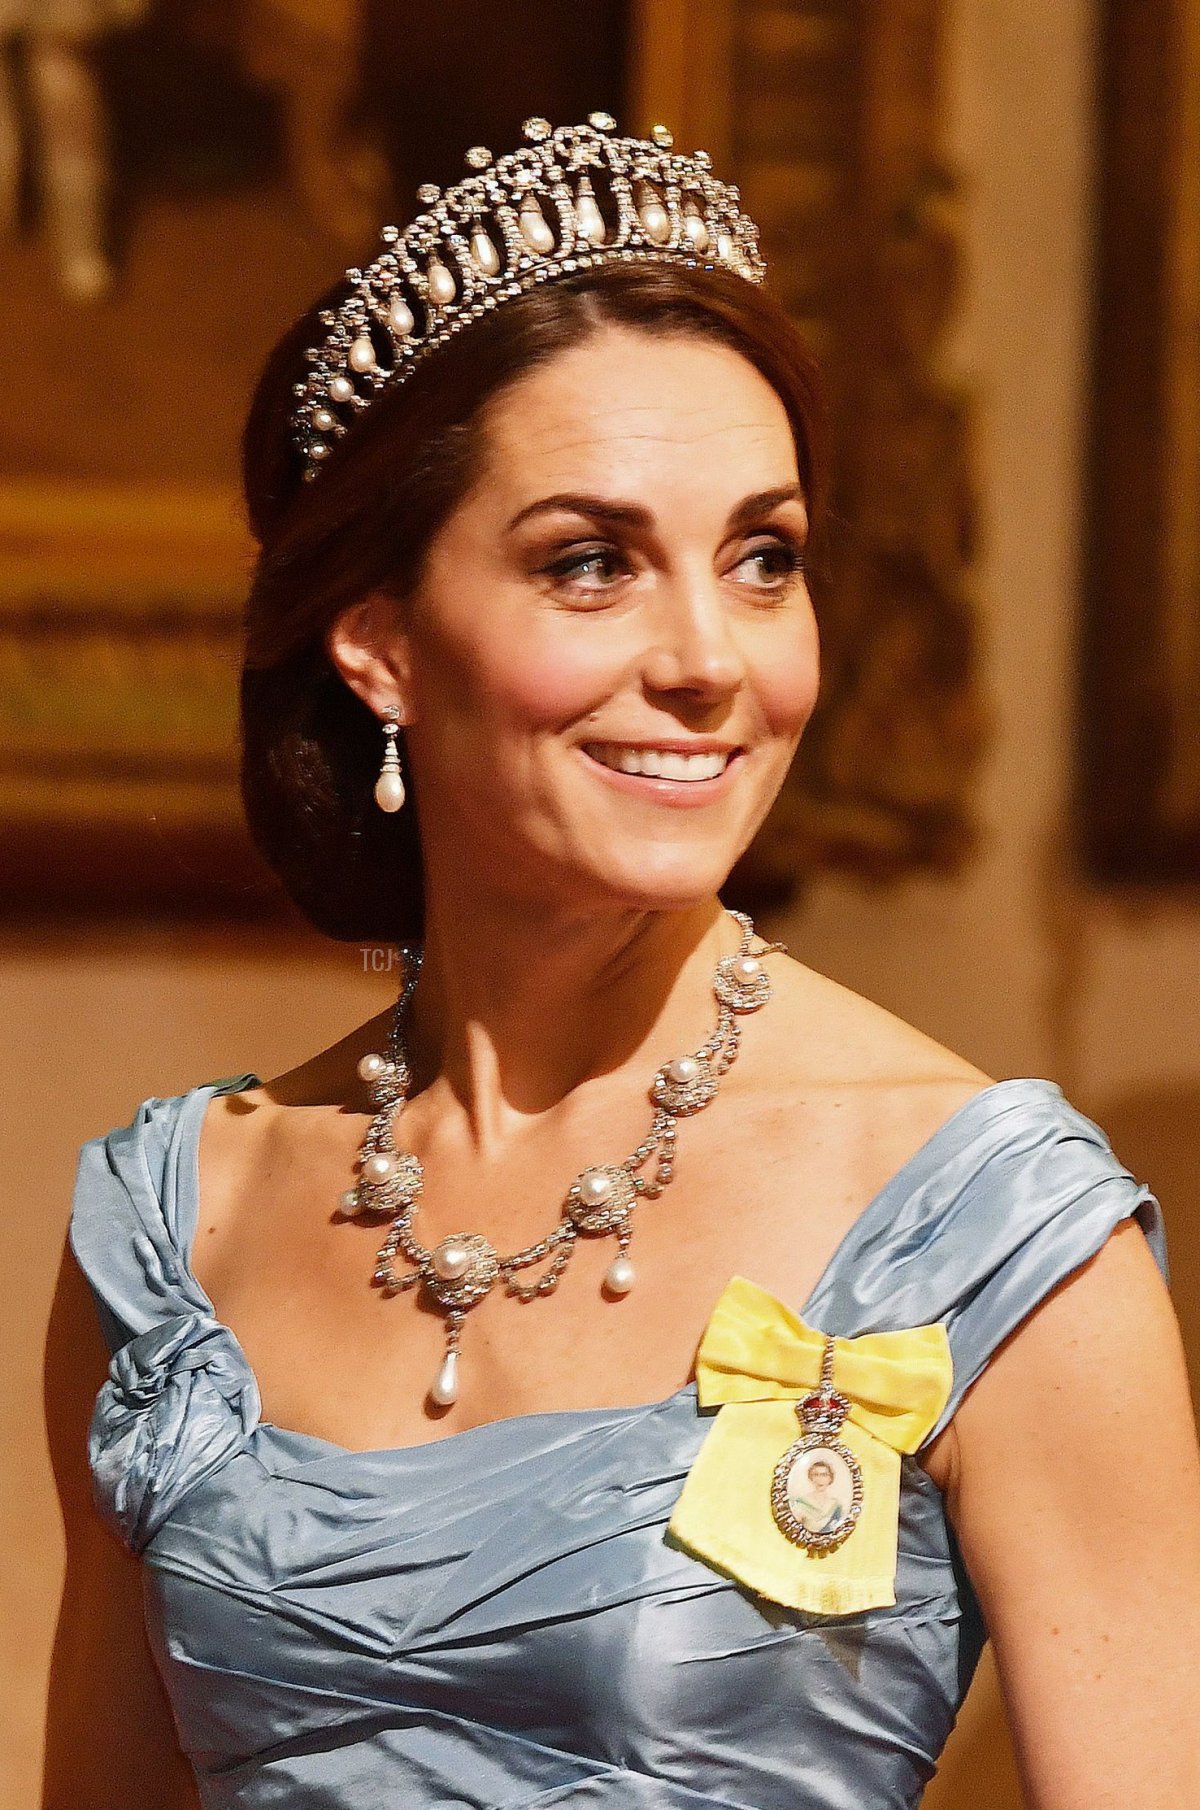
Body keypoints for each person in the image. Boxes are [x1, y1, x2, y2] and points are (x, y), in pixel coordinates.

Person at [46, 113, 1200, 1810]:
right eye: (592, 563)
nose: (706, 661)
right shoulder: (174, 1232)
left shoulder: (998, 1233)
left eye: (764, 560)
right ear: (376, 640)